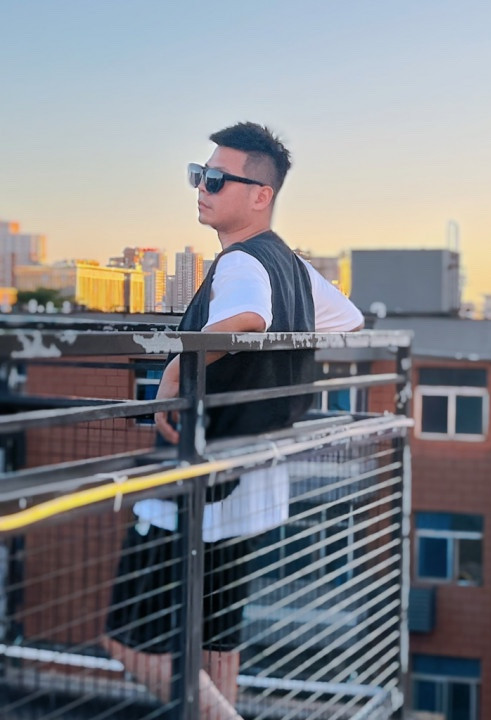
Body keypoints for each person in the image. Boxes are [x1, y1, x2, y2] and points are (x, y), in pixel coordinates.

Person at [103, 122, 363, 720]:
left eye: (216, 179)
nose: (202, 187)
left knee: (129, 641)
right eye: (199, 175)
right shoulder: (287, 263)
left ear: (260, 195)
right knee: (217, 641)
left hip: (200, 479)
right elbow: (347, 318)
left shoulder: (242, 262)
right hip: (251, 476)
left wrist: (176, 368)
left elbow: (247, 319)